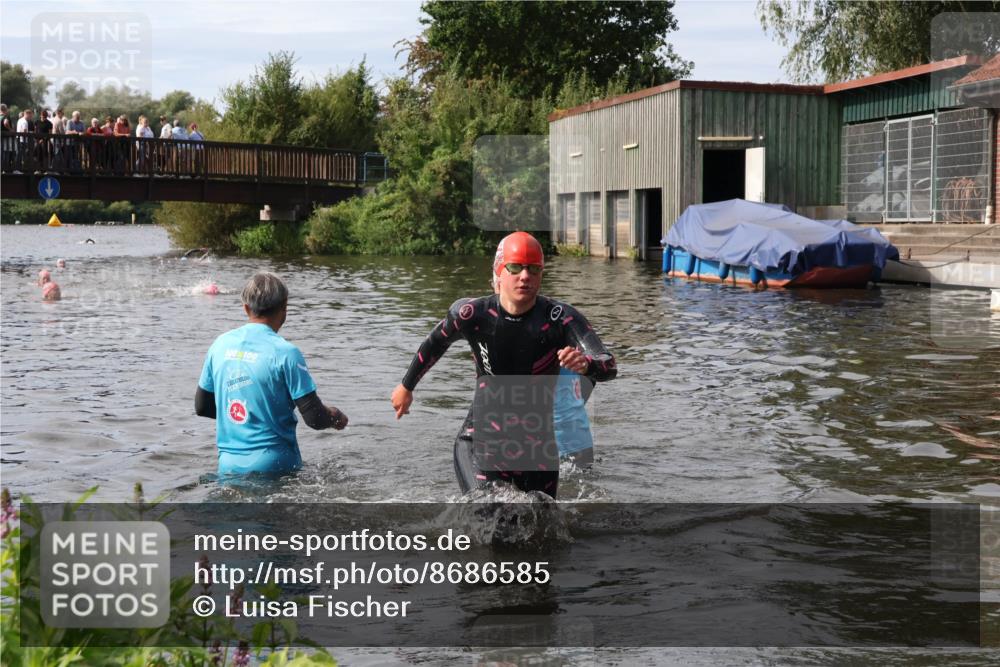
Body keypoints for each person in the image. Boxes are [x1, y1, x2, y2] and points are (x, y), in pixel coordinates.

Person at [390, 231, 617, 498]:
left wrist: (587, 365)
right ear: (499, 272)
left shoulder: (561, 319)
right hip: (480, 442)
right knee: (490, 516)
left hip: (537, 450)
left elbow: (608, 365)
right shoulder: (472, 314)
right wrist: (406, 386)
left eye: (533, 269)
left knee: (543, 532)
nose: (525, 276)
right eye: (515, 267)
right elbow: (434, 343)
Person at [196, 272, 348, 476]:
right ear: (284, 309)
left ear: (246, 308)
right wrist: (335, 416)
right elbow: (314, 418)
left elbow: (202, 406)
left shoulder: (219, 344)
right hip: (276, 466)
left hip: (228, 465)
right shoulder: (286, 353)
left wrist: (246, 416)